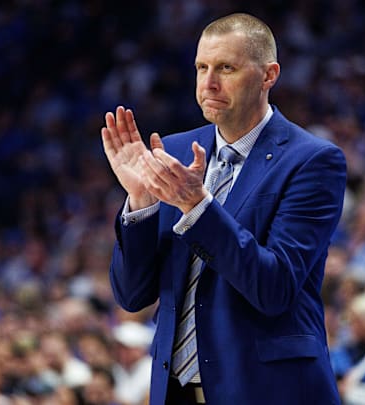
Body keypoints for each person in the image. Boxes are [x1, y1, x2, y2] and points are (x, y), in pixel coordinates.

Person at [101, 12, 346, 405]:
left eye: (226, 68)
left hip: (267, 391)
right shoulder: (175, 152)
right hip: (174, 393)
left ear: (269, 75)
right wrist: (140, 203)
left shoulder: (312, 161)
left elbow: (274, 287)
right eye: (202, 67)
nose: (209, 83)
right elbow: (131, 295)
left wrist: (197, 206)